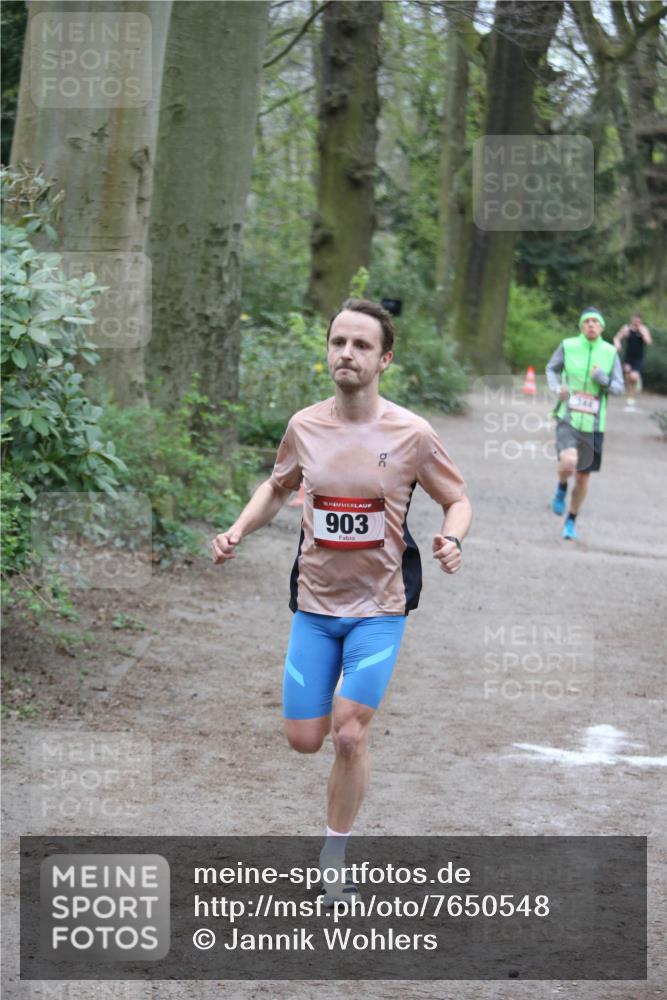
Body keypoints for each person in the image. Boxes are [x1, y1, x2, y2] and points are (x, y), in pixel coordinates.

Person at [211, 298, 472, 902]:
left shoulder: (412, 434)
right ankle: (332, 741)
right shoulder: (305, 426)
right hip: (315, 603)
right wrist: (236, 531)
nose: (346, 354)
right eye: (338, 343)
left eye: (360, 345)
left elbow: (457, 499)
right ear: (327, 351)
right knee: (305, 739)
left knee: (349, 734)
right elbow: (277, 487)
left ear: (385, 359)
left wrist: (452, 538)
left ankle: (334, 856)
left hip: (380, 606)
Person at [546, 307, 624, 541]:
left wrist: (604, 380)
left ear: (601, 327)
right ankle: (561, 487)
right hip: (568, 417)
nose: (591, 324)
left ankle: (571, 520)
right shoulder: (568, 345)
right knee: (568, 462)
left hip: (594, 425)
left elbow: (619, 388)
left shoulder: (610, 353)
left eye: (595, 322)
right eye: (587, 321)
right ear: (581, 326)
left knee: (582, 477)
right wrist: (556, 387)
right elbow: (551, 368)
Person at [613, 312, 652, 410]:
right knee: (628, 378)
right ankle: (630, 396)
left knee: (633, 377)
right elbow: (617, 338)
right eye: (634, 319)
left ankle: (633, 393)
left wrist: (643, 334)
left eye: (638, 320)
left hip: (638, 358)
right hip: (628, 358)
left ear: (640, 320)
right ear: (631, 319)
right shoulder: (626, 328)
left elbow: (648, 342)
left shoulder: (643, 329)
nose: (636, 322)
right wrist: (618, 345)